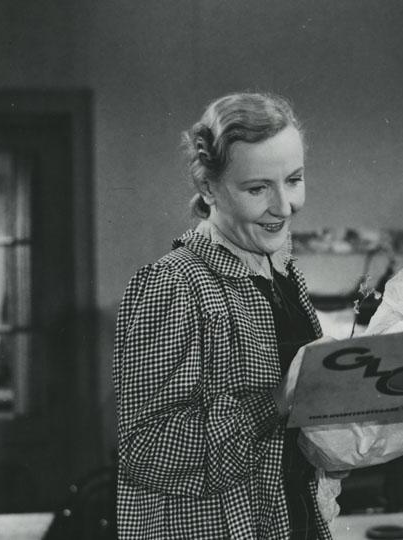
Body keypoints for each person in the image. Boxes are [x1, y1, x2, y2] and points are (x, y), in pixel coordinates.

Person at [113, 91, 334, 539]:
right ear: (208, 188)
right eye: (257, 188)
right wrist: (274, 403)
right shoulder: (173, 284)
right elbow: (144, 450)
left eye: (293, 180)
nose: (284, 206)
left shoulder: (281, 273)